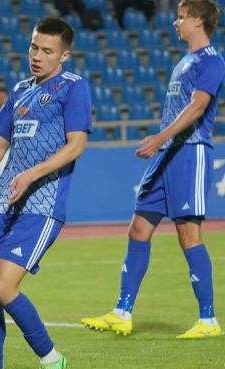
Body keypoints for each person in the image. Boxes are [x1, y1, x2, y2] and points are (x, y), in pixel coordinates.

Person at [0, 18, 92, 369]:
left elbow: (76, 145)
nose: (37, 56)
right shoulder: (19, 91)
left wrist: (32, 174)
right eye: (34, 47)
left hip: (41, 203)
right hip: (4, 201)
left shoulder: (73, 87)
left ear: (64, 55)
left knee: (3, 287)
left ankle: (51, 359)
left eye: (47, 51)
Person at [82, 0, 224, 339]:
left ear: (198, 20)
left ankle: (208, 320)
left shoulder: (212, 60)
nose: (176, 22)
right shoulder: (185, 61)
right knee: (138, 228)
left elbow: (198, 107)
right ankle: (122, 312)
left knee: (188, 233)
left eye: (181, 17)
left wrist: (161, 137)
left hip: (190, 153)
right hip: (167, 155)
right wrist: (163, 143)